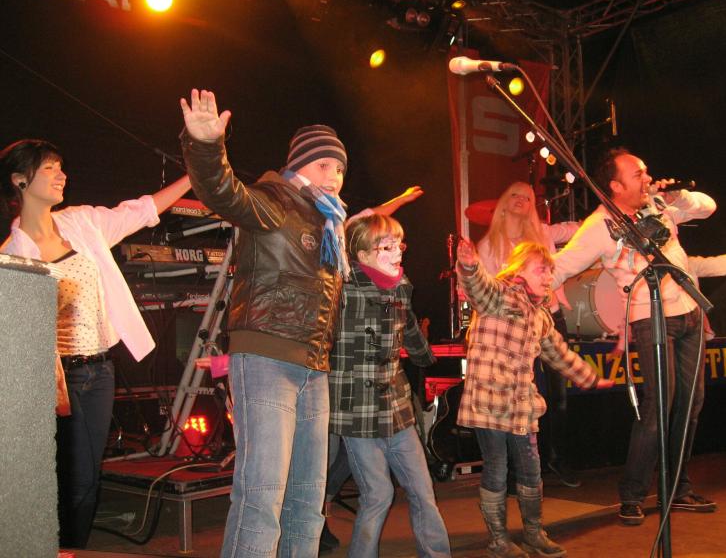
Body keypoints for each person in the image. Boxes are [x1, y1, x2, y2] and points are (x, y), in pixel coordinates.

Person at [180, 88, 353, 557]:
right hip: (267, 360)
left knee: (308, 503)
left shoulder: (329, 224)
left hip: (314, 367)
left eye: (340, 168)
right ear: (299, 165)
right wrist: (206, 146)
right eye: (324, 165)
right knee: (262, 498)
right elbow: (222, 191)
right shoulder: (275, 198)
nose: (334, 176)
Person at [0, 138, 192, 548]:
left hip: (99, 371)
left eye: (60, 167)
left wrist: (194, 175)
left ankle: (70, 548)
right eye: (49, 168)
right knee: (66, 478)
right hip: (53, 381)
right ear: (19, 180)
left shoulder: (81, 222)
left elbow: (141, 210)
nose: (62, 175)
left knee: (87, 478)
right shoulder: (11, 254)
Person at [551, 147, 717, 525]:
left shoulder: (658, 204)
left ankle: (678, 489)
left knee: (691, 405)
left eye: (646, 171)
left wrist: (679, 198)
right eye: (638, 174)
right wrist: (520, 284)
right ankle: (633, 493)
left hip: (690, 313)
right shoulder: (599, 225)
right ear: (615, 185)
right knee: (659, 407)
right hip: (651, 318)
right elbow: (562, 266)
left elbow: (709, 207)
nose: (647, 178)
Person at [457, 238, 613, 557]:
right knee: (497, 468)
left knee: (531, 470)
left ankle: (533, 533)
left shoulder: (540, 315)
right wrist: (470, 266)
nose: (548, 276)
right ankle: (499, 541)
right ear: (520, 270)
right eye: (541, 269)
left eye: (550, 271)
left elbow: (560, 354)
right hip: (490, 402)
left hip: (522, 406)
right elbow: (478, 287)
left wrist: (591, 379)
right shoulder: (500, 295)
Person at [328, 214, 451, 558]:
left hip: (396, 407)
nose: (398, 252)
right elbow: (312, 332)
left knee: (422, 489)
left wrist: (426, 356)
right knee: (378, 494)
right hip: (356, 411)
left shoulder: (400, 287)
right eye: (387, 246)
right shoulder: (342, 288)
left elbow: (407, 326)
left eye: (399, 244)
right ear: (363, 255)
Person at [477, 181, 581, 487]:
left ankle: (556, 458)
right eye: (515, 195)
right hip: (513, 330)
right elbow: (486, 292)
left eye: (527, 197)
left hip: (550, 318)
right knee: (517, 395)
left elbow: (578, 230)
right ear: (503, 202)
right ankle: (517, 472)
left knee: (559, 395)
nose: (521, 200)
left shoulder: (544, 233)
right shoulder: (489, 246)